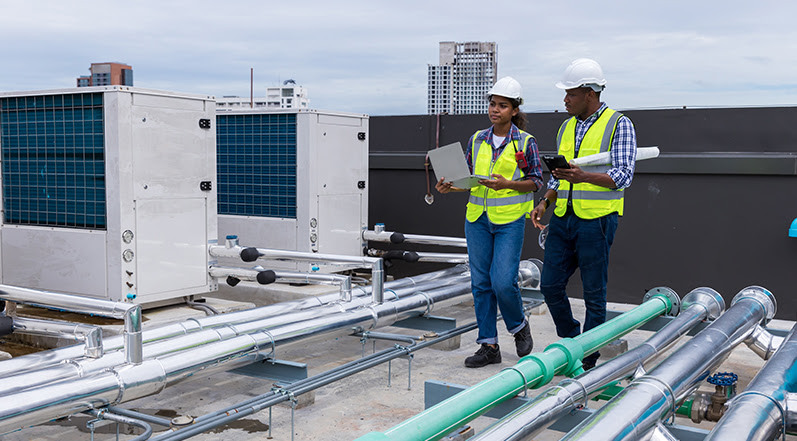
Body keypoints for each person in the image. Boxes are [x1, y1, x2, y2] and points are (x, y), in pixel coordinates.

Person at [530, 58, 637, 371]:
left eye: (571, 94)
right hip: (563, 217)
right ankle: (574, 340)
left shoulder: (619, 124)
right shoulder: (566, 126)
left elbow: (624, 175)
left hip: (597, 220)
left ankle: (588, 360)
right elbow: (559, 175)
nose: (565, 99)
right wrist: (546, 201)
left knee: (594, 294)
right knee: (549, 285)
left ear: (590, 93)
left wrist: (584, 177)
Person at [436, 76, 543, 368]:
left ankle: (519, 326)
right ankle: (488, 346)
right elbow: (470, 180)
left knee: (503, 282)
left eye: (503, 106)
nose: (495, 110)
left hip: (509, 221)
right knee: (481, 283)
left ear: (515, 110)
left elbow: (536, 182)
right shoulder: (477, 139)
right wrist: (450, 187)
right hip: (477, 219)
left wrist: (508, 184)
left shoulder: (525, 143)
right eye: (493, 104)